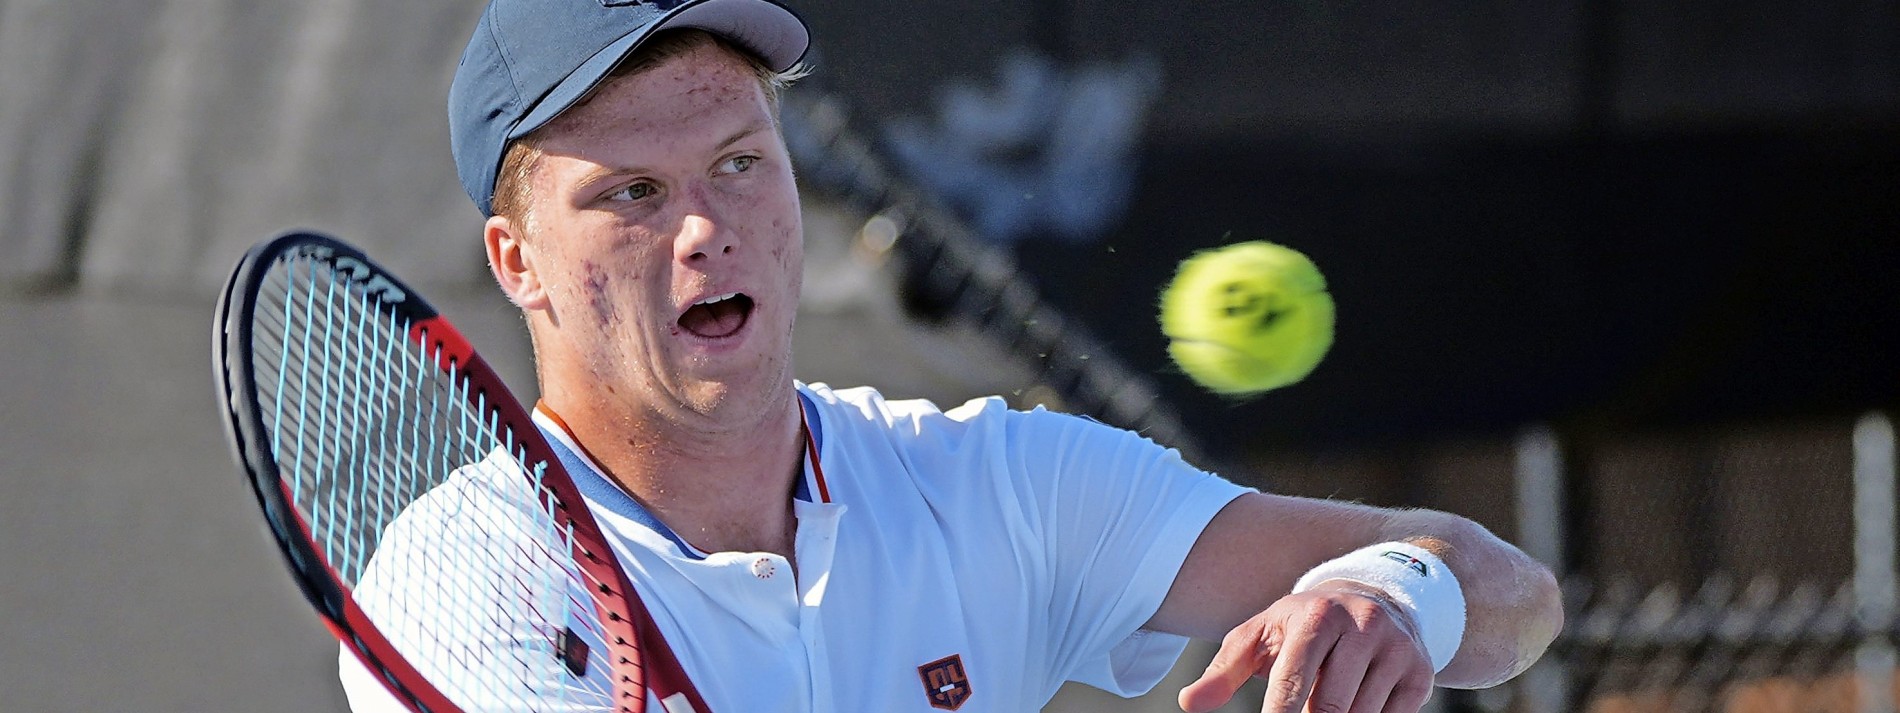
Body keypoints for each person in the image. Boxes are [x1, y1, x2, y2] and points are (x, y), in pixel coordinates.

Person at [343, 1, 1563, 711]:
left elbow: (1514, 597)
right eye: (632, 193)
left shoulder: (987, 480)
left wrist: (1392, 591)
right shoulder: (462, 582)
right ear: (517, 262)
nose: (708, 226)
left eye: (738, 162)